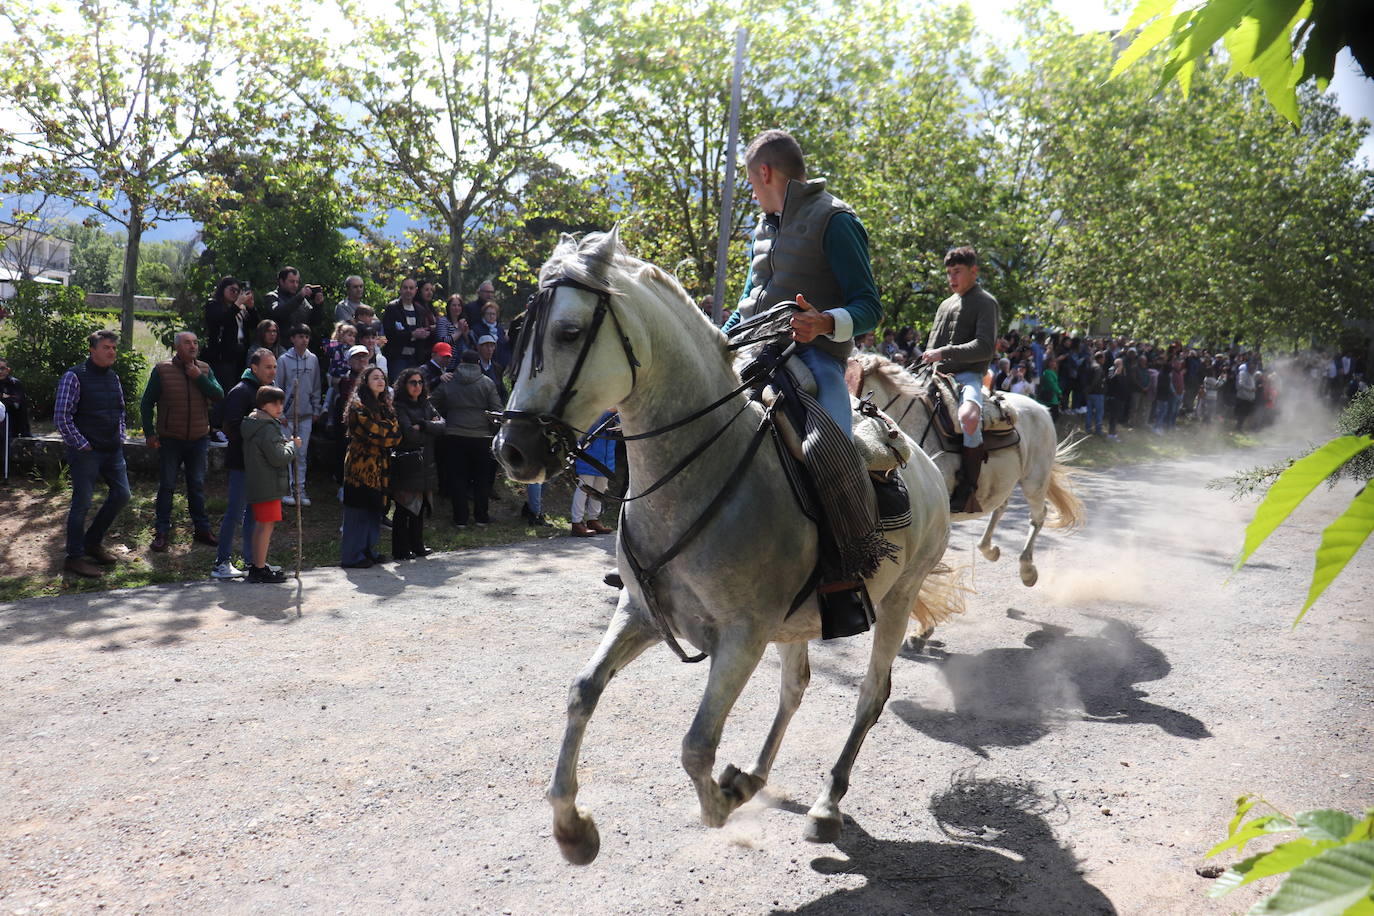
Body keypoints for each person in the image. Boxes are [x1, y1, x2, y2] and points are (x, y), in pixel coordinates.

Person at [923, 245, 1000, 513]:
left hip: (969, 376)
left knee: (968, 418)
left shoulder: (986, 302)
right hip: (936, 376)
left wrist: (943, 353)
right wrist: (927, 360)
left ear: (973, 271)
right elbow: (933, 344)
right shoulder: (945, 304)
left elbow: (985, 347)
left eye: (957, 272)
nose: (952, 278)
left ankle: (968, 487)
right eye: (948, 273)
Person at [55, 330, 131, 578]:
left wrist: (120, 436)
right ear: (92, 350)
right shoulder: (74, 376)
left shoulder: (113, 377)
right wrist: (82, 444)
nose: (112, 352)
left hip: (112, 449)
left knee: (122, 495)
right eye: (107, 347)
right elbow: (62, 416)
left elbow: (120, 410)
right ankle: (74, 557)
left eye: (113, 348)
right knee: (82, 503)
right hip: (86, 452)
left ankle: (92, 543)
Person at [140, 330, 224, 551]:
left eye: (195, 342)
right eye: (187, 343)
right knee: (167, 486)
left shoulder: (204, 369)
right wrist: (149, 432)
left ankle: (202, 530)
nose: (193, 346)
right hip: (171, 439)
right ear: (178, 346)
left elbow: (218, 395)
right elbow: (147, 402)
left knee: (196, 485)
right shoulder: (162, 370)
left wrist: (199, 377)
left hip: (198, 439)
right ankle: (162, 531)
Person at [212, 348, 278, 579]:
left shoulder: (263, 392)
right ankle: (221, 562)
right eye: (268, 367)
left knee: (253, 514)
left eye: (274, 367)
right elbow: (231, 426)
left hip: (258, 465)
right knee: (235, 512)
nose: (272, 371)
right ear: (254, 368)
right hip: (242, 463)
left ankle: (254, 561)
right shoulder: (241, 392)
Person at [432, 350, 501, 528]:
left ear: (461, 361)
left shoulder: (449, 381)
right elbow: (496, 411)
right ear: (478, 362)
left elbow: (433, 404)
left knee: (457, 477)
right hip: (481, 436)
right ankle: (481, 517)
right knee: (481, 478)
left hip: (454, 435)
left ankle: (460, 519)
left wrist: (445, 418)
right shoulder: (487, 383)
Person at [341, 365, 401, 567]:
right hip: (360, 467)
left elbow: (396, 435)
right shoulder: (358, 407)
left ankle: (369, 551)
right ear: (366, 382)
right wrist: (387, 433)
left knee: (374, 510)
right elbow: (378, 434)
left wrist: (387, 433)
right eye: (375, 377)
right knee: (358, 511)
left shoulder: (385, 406)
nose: (380, 381)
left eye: (382, 378)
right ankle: (353, 556)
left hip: (380, 467)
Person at [239, 385, 299, 583]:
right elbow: (278, 458)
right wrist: (293, 446)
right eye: (274, 403)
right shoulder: (266, 428)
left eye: (281, 402)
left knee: (262, 525)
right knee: (266, 526)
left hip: (260, 482)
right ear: (264, 405)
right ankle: (258, 568)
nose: (279, 406)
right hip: (268, 484)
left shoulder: (256, 422)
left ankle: (259, 565)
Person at [391, 367, 445, 560]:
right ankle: (401, 549)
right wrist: (429, 426)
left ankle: (418, 545)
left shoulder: (427, 404)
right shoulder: (398, 406)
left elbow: (443, 426)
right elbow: (409, 434)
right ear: (404, 385)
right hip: (407, 463)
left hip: (426, 463)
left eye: (420, 382)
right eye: (413, 382)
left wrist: (422, 425)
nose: (417, 386)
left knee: (420, 507)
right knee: (404, 508)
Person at [278, 325, 325, 506]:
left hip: (305, 415)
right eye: (300, 336)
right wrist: (279, 412)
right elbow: (279, 387)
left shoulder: (312, 359)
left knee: (301, 453)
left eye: (306, 336)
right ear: (292, 339)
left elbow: (316, 386)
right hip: (286, 417)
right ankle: (286, 490)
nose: (304, 340)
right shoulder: (283, 360)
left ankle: (300, 489)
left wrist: (316, 409)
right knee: (286, 452)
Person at [203, 276, 258, 397]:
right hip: (222, 356)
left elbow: (255, 325)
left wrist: (251, 307)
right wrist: (238, 304)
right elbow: (222, 320)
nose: (235, 293)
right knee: (225, 390)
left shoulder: (240, 309)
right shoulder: (213, 305)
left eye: (238, 291)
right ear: (223, 289)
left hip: (240, 354)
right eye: (232, 290)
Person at [570, 411, 617, 537]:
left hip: (606, 459)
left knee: (599, 492)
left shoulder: (613, 410)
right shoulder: (594, 407)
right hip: (588, 456)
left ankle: (593, 519)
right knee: (583, 489)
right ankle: (576, 522)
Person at [382, 277, 436, 380]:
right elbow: (389, 333)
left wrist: (425, 333)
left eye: (411, 288)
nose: (408, 291)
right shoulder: (392, 308)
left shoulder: (420, 310)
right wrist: (412, 334)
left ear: (416, 290)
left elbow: (421, 329)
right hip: (397, 357)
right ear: (400, 289)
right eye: (405, 288)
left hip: (415, 357)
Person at [0, 357, 32, 438]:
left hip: (11, 427)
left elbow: (17, 404)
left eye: (2, 368)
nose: (0, 371)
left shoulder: (14, 383)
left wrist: (25, 432)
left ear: (8, 369)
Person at [475, 334, 506, 401]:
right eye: (486, 346)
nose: (489, 349)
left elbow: (502, 390)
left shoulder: (497, 368)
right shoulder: (474, 367)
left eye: (492, 346)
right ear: (479, 348)